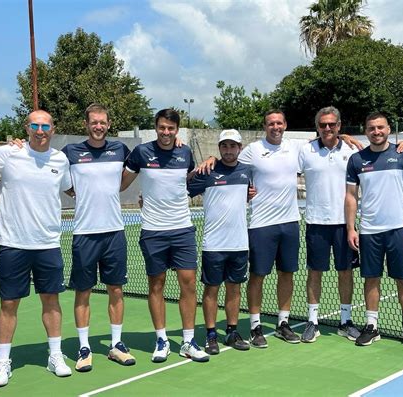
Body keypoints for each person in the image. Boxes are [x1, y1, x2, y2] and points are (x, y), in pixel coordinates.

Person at [198, 110, 362, 347]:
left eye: (279, 122)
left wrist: (344, 135)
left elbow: (327, 137)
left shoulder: (298, 148)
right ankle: (255, 326)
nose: (275, 126)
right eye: (270, 123)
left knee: (287, 273)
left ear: (285, 125)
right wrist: (212, 158)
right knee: (258, 275)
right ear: (265, 126)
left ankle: (283, 323)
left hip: (290, 223)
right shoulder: (252, 151)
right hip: (260, 225)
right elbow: (229, 159)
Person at [0, 110, 73, 386]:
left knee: (51, 301)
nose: (40, 130)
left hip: (48, 244)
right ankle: (3, 363)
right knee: (9, 303)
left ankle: (55, 356)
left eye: (45, 126)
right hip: (13, 243)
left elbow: (70, 188)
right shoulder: (7, 154)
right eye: (35, 125)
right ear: (26, 128)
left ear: (53, 128)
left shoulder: (61, 160)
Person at [120, 108, 209, 363]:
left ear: (176, 130)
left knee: (189, 283)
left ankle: (188, 341)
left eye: (171, 128)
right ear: (156, 128)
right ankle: (161, 339)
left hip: (182, 229)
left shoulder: (185, 152)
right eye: (162, 128)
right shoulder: (141, 153)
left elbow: (186, 180)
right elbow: (121, 183)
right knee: (156, 285)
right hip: (153, 231)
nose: (166, 133)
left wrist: (208, 163)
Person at [61, 104, 135, 371]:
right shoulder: (70, 152)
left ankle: (116, 345)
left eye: (103, 122)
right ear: (86, 124)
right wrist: (78, 193)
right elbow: (62, 182)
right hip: (84, 234)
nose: (99, 126)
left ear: (109, 123)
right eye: (94, 122)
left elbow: (130, 175)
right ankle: (84, 347)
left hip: (114, 232)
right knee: (84, 291)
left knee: (116, 289)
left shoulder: (120, 150)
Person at [345, 112, 403, 350]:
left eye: (380, 127)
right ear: (366, 130)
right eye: (371, 128)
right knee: (371, 279)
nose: (376, 132)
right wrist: (351, 228)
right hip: (369, 231)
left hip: (399, 229)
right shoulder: (357, 160)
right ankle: (372, 326)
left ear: (388, 129)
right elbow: (351, 196)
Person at [298, 107, 360, 343]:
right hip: (316, 223)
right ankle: (312, 322)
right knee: (315, 272)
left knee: (345, 272)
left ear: (339, 125)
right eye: (323, 125)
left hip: (346, 224)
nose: (327, 128)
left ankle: (346, 321)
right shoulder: (305, 150)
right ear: (317, 127)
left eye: (331, 124)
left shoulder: (352, 149)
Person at [188, 129, 252, 355]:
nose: (228, 150)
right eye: (224, 146)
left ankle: (232, 331)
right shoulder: (208, 171)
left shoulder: (247, 172)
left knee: (234, 290)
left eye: (232, 146)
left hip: (239, 244)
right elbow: (182, 187)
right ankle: (211, 334)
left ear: (239, 148)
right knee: (211, 290)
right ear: (219, 149)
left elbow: (248, 193)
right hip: (213, 244)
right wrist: (200, 166)